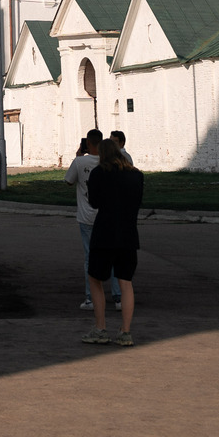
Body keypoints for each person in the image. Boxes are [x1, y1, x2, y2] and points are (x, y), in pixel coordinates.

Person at [83, 137, 145, 347]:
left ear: (102, 154)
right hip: (128, 235)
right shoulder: (136, 175)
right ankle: (125, 332)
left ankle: (100, 328)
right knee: (126, 283)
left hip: (104, 235)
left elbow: (94, 202)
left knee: (95, 279)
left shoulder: (99, 173)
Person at [63, 130, 120, 310]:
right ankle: (118, 297)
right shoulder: (110, 162)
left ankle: (90, 297)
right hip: (108, 216)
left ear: (88, 143)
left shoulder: (80, 162)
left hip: (87, 216)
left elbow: (69, 181)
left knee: (90, 257)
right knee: (112, 255)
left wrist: (78, 156)